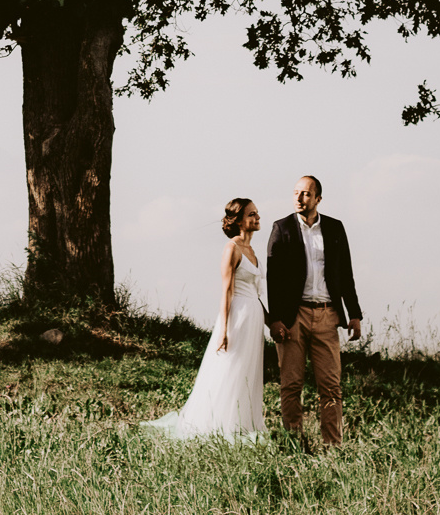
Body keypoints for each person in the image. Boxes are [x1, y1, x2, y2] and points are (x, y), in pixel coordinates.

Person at [143, 197, 268, 442]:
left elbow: (256, 292)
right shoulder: (231, 249)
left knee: (248, 372)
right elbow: (227, 291)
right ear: (240, 221)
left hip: (254, 319)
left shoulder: (252, 251)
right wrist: (223, 329)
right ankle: (219, 424)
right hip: (238, 317)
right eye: (252, 214)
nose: (257, 218)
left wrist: (269, 322)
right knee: (231, 367)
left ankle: (244, 422)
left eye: (257, 213)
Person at [266, 174, 362, 448]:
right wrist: (276, 319)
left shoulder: (334, 228)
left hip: (327, 315)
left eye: (306, 194)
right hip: (293, 317)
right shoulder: (281, 228)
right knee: (291, 384)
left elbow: (346, 274)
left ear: (318, 198)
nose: (299, 198)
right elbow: (273, 279)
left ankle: (333, 446)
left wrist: (353, 314)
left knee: (331, 387)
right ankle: (294, 443)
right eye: (296, 193)